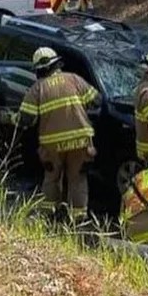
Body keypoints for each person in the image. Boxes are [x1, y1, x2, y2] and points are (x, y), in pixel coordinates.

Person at [17, 47, 101, 225]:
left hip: (52, 146)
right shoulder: (74, 79)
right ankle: (78, 219)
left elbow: (26, 119)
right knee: (78, 179)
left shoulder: (37, 89)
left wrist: (10, 117)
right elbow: (96, 100)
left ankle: (49, 215)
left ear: (39, 70)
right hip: (80, 141)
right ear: (57, 64)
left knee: (52, 178)